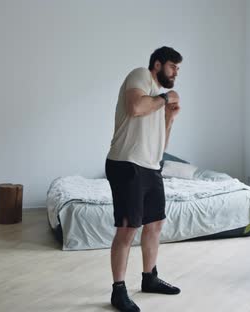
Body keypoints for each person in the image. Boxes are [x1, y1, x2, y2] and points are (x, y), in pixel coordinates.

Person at [105, 46, 182, 312]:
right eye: (173, 67)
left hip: (150, 166)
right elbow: (136, 107)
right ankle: (118, 291)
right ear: (158, 65)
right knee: (127, 229)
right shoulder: (141, 76)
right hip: (126, 164)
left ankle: (149, 278)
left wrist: (169, 118)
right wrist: (165, 98)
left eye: (178, 69)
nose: (176, 73)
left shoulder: (159, 100)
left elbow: (160, 145)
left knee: (155, 223)